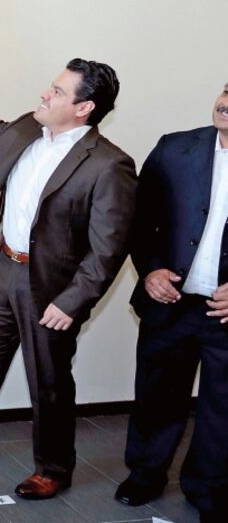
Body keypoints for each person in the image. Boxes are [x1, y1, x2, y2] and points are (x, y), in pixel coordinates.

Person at [0, 59, 138, 499]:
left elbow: (108, 249)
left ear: (84, 107)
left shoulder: (110, 165)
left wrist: (72, 302)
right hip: (5, 270)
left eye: (57, 91)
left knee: (48, 382)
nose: (44, 95)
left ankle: (53, 469)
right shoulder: (23, 130)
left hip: (52, 288)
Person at [115, 84, 228, 523]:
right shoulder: (174, 149)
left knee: (221, 410)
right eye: (224, 93)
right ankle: (145, 474)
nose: (224, 105)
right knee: (157, 396)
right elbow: (141, 220)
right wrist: (152, 269)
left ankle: (209, 490)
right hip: (172, 301)